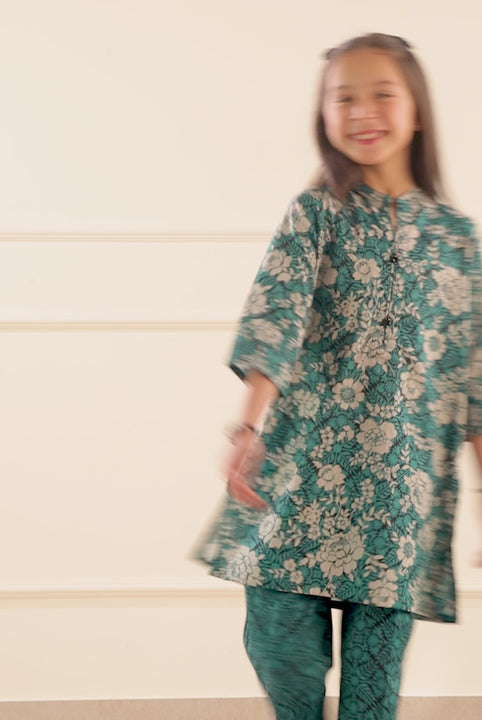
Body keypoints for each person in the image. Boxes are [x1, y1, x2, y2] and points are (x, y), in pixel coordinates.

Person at [192, 32, 482, 720]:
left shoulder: (457, 239)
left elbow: (473, 379)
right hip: (299, 475)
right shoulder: (315, 212)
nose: (362, 112)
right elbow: (276, 317)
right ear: (322, 115)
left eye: (381, 94)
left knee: (371, 695)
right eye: (343, 98)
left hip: (401, 500)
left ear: (417, 109)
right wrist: (245, 428)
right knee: (281, 649)